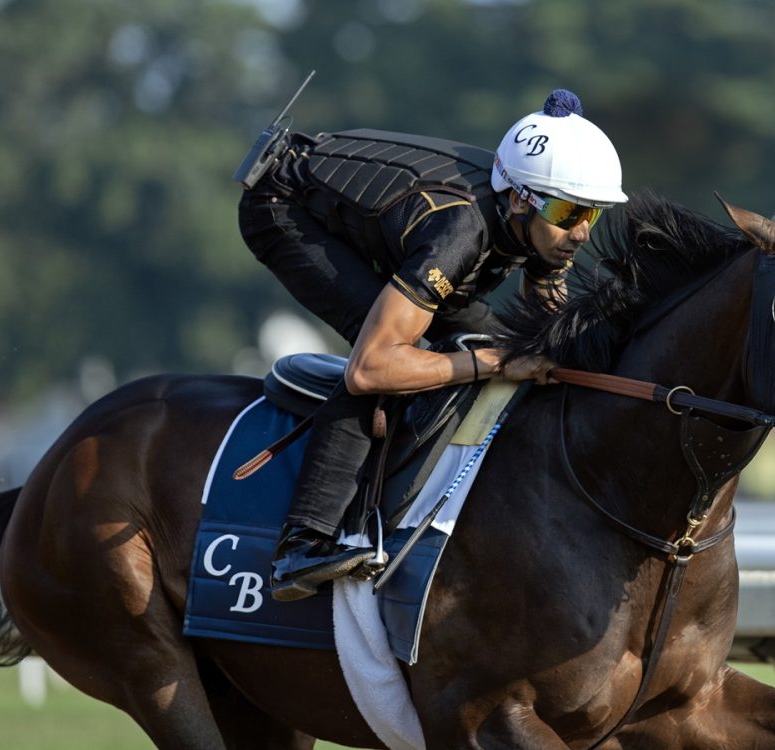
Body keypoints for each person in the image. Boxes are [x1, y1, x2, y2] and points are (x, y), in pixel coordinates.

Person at [237, 88, 627, 601]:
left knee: (494, 343)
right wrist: (490, 362)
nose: (579, 232)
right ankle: (303, 543)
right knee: (401, 356)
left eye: (590, 215)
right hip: (284, 207)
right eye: (567, 213)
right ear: (518, 199)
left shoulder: (538, 216)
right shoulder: (460, 230)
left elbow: (543, 331)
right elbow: (371, 370)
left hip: (386, 227)